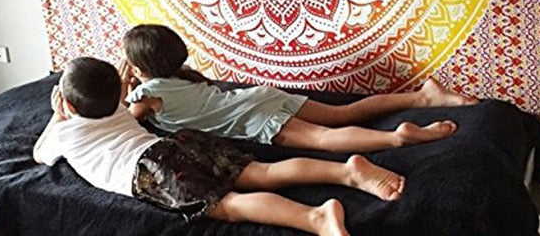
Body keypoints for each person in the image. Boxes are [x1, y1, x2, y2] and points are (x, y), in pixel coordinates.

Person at [34, 57, 406, 236]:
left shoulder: (65, 132)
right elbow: (115, 93)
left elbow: (41, 154)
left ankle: (315, 218)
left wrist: (58, 116)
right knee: (262, 172)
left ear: (67, 105)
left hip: (150, 170)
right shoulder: (117, 107)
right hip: (177, 144)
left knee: (228, 206)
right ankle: (347, 171)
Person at [121, 24, 477, 153]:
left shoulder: (144, 97)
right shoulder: (184, 76)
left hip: (256, 120)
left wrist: (123, 84)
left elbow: (120, 116)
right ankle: (423, 96)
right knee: (344, 113)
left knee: (323, 139)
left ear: (139, 67)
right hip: (259, 96)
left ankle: (396, 138)